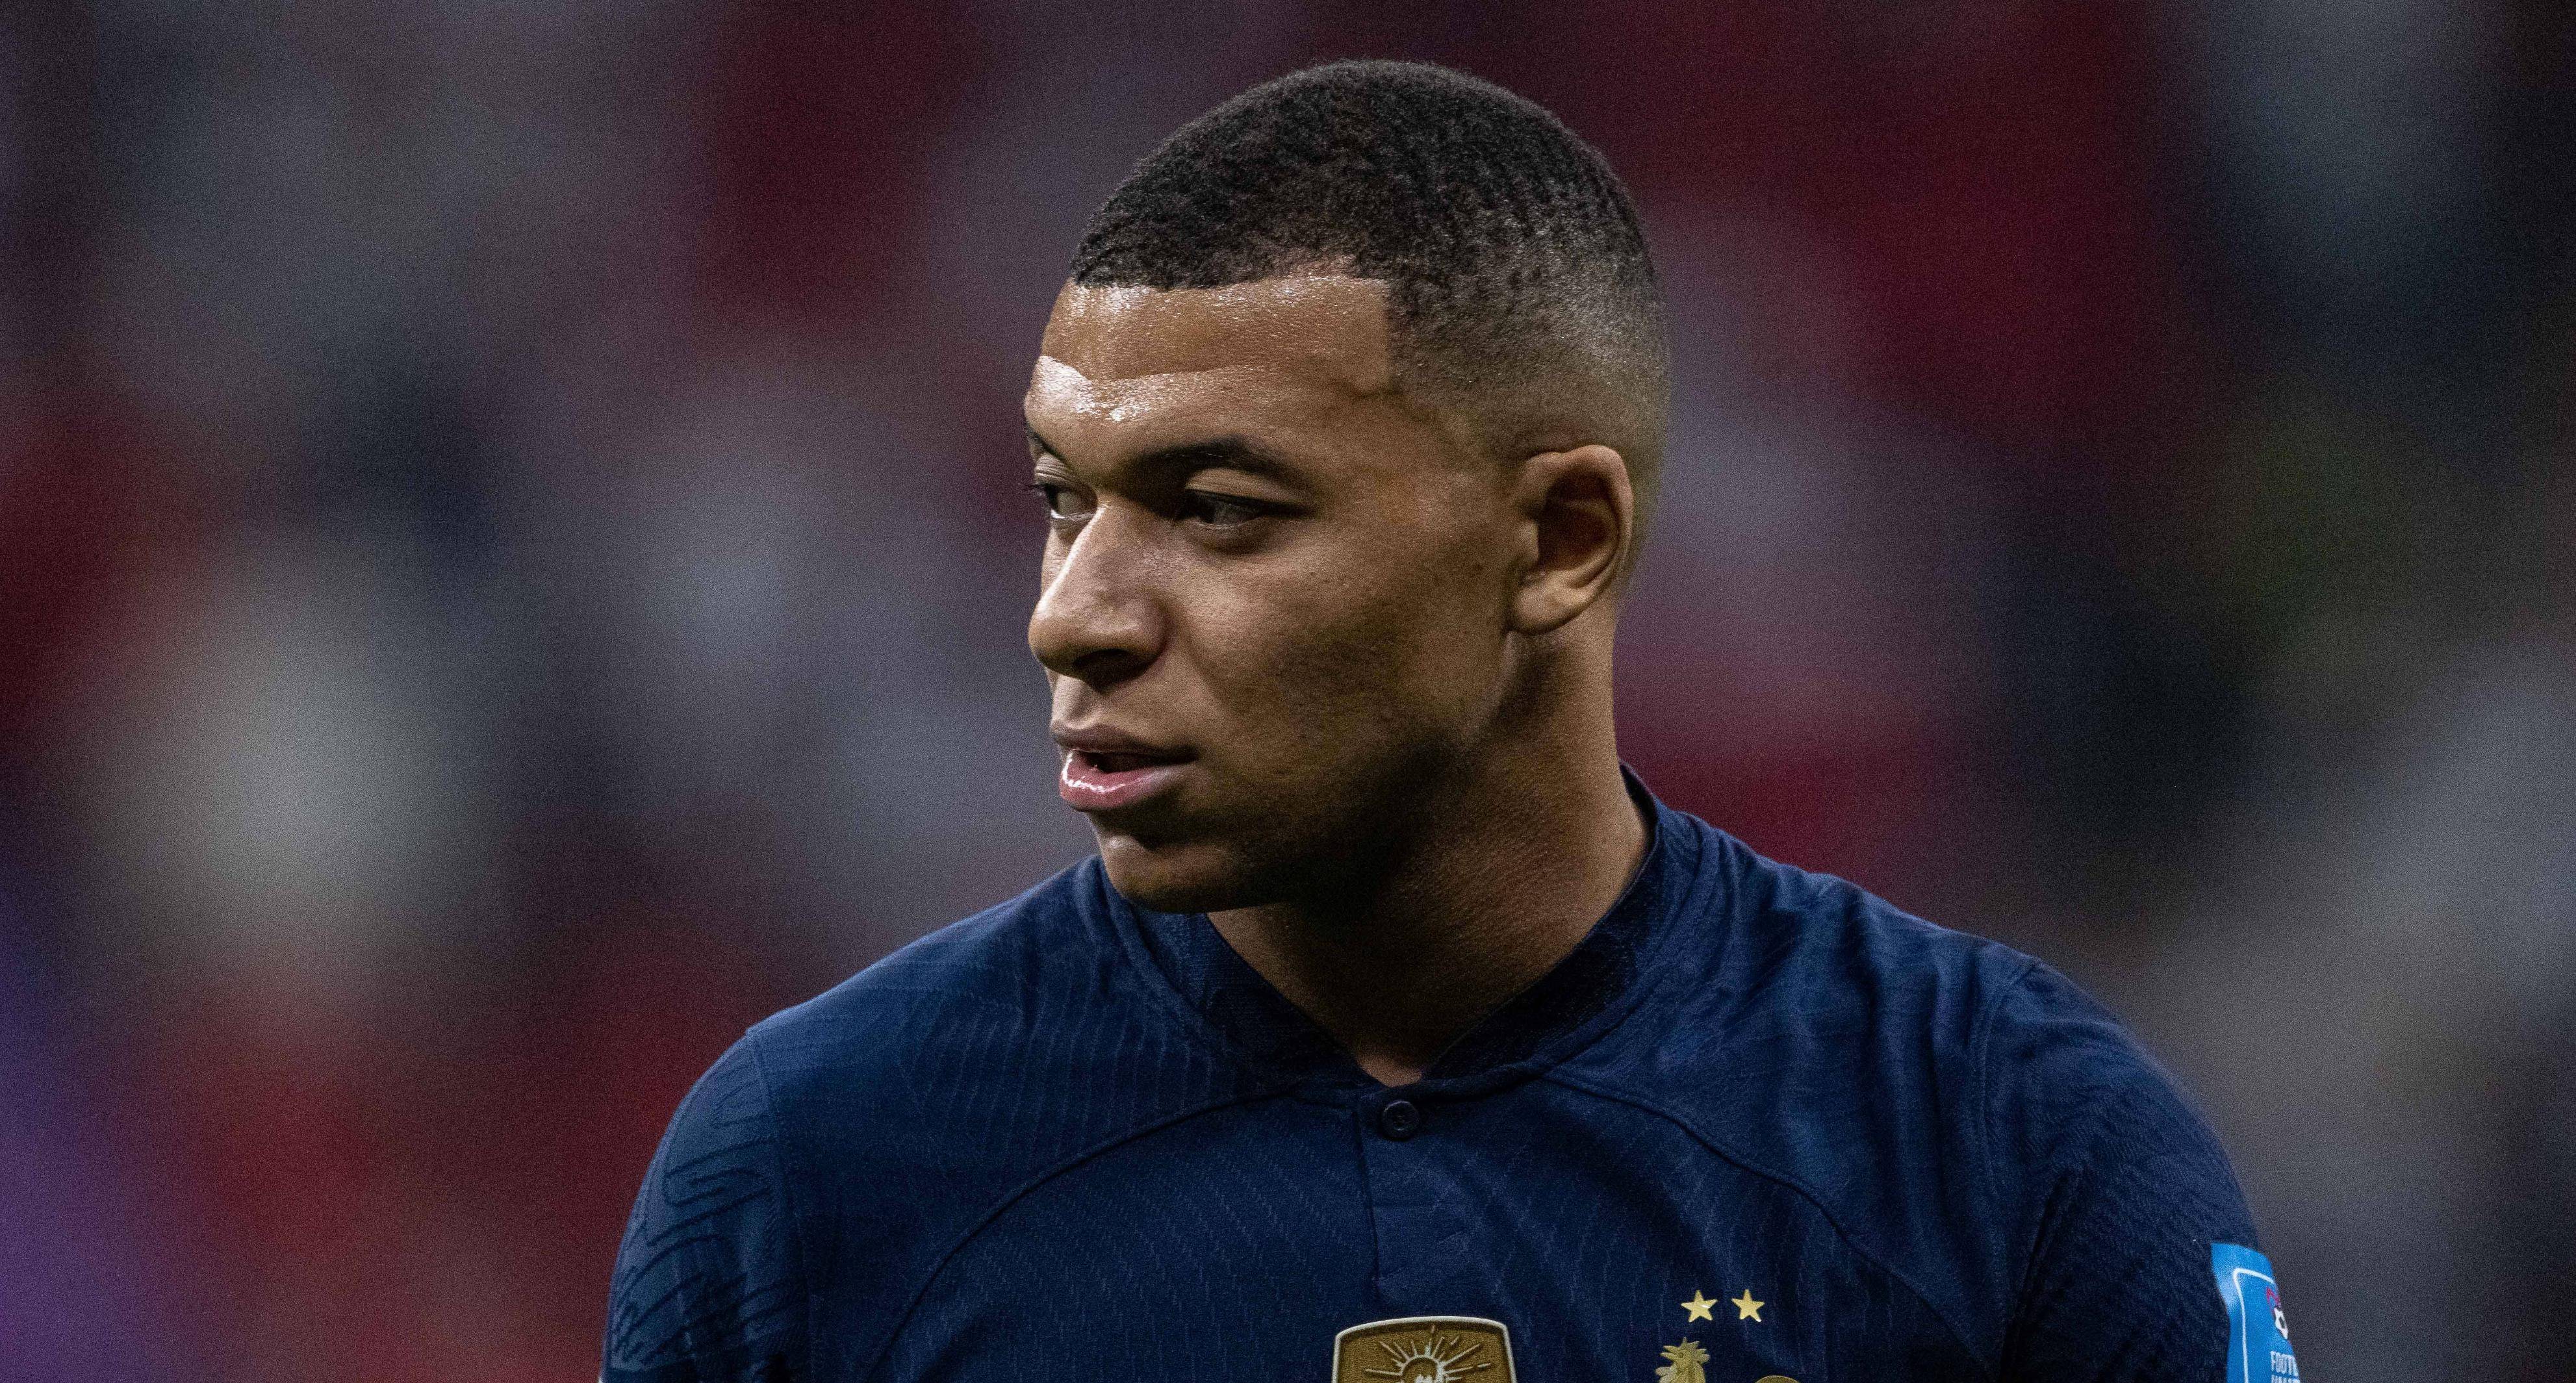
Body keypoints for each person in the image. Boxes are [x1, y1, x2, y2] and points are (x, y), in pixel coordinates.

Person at [601, 60, 2294, 1383]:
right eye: (1067, 499)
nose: (1076, 613)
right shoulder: (808, 1174)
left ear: (1557, 542)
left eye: (1223, 510)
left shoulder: (2004, 1145)